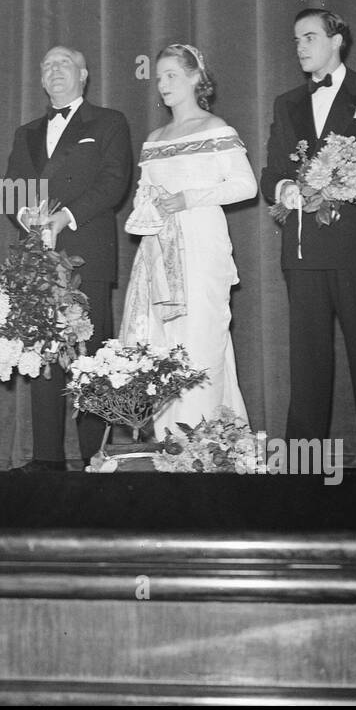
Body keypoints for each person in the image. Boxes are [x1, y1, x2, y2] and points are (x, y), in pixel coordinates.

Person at [261, 8, 356, 474]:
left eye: (309, 37)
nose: (301, 47)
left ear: (336, 41)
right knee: (307, 367)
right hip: (304, 252)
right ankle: (298, 476)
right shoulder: (286, 103)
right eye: (296, 40)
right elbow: (271, 174)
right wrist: (288, 190)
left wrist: (351, 180)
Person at [4, 46, 133, 470]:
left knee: (91, 359)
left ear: (84, 74)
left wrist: (63, 218)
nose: (54, 70)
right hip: (38, 260)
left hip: (86, 254)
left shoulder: (109, 122)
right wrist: (30, 218)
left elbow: (114, 182)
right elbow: (12, 189)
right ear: (41, 80)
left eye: (63, 63)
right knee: (43, 359)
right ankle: (46, 460)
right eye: (46, 66)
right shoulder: (26, 132)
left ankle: (95, 460)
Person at [119, 44, 256, 437]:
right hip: (161, 250)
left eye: (172, 75)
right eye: (159, 77)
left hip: (201, 245)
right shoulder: (155, 137)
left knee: (202, 340)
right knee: (166, 346)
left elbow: (245, 186)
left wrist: (188, 198)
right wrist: (149, 206)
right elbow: (144, 192)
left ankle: (203, 441)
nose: (163, 84)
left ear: (196, 77)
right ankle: (171, 442)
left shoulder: (215, 128)